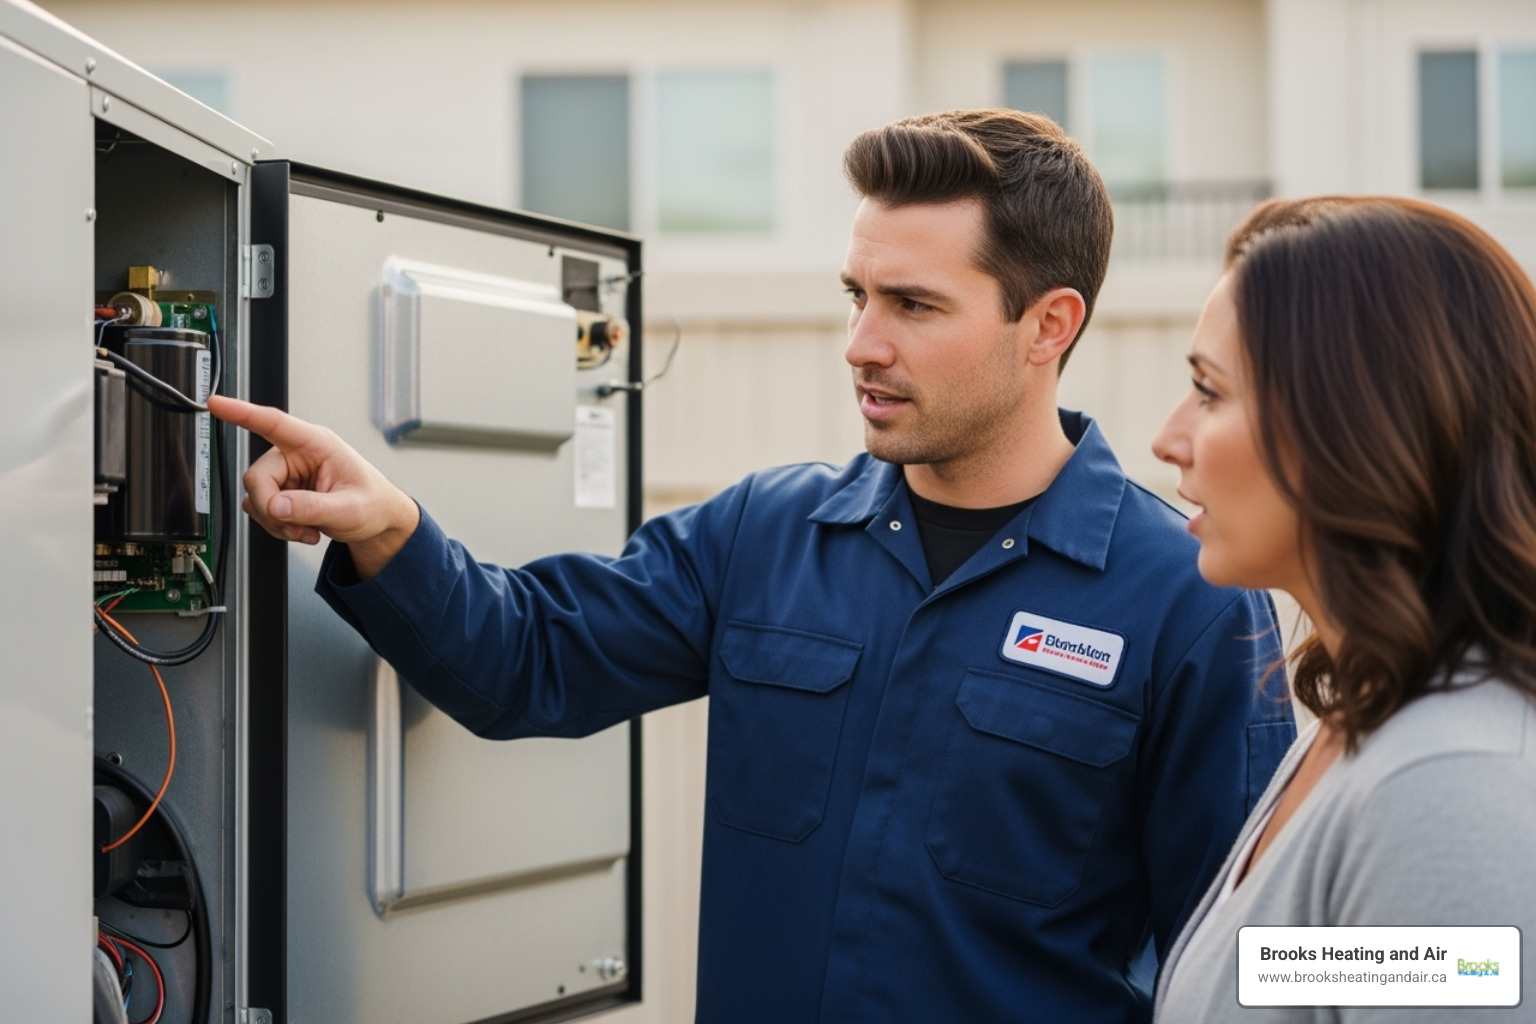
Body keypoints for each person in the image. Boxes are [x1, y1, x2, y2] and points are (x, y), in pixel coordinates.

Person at [211, 109, 1293, 1023]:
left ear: (1047, 324)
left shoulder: (1187, 599)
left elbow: (1248, 955)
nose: (862, 342)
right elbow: (523, 658)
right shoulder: (767, 536)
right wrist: (385, 522)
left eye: (913, 305)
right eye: (856, 295)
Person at [1150, 195, 1536, 1022]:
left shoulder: (1444, 784)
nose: (1168, 436)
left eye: (1208, 392)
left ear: (1351, 427)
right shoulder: (1364, 724)